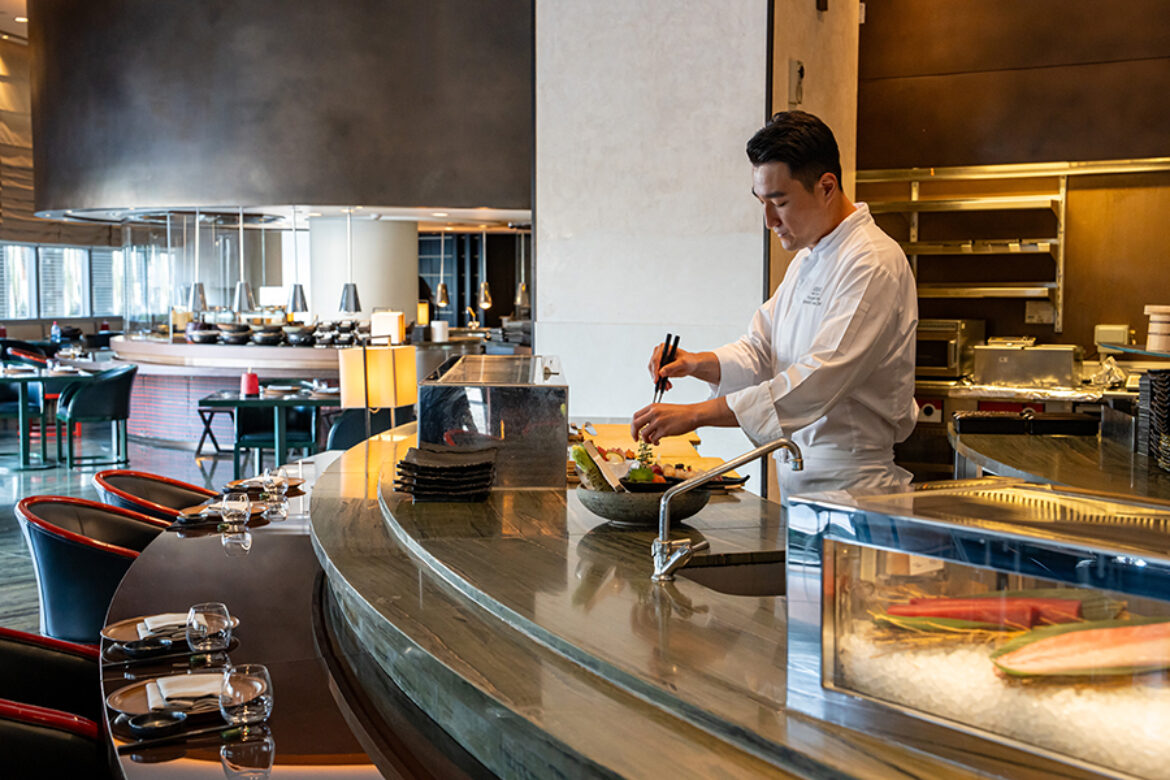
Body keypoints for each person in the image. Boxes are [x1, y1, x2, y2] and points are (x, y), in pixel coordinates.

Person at [631, 110, 918, 495]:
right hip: (801, 481)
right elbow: (762, 349)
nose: (769, 220)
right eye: (761, 202)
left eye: (779, 202)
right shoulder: (809, 258)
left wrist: (697, 414)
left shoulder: (873, 262)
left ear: (826, 187)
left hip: (854, 489)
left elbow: (816, 379)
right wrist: (696, 363)